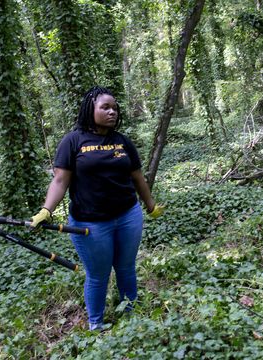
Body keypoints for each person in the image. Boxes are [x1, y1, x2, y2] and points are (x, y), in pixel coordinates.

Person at [31, 86, 163, 331]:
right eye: (105, 107)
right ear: (89, 109)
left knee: (125, 267)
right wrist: (46, 210)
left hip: (128, 216)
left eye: (114, 108)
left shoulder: (122, 141)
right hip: (90, 223)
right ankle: (96, 324)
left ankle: (131, 314)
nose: (112, 112)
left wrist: (151, 205)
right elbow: (60, 181)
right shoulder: (73, 141)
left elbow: (138, 177)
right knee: (98, 274)